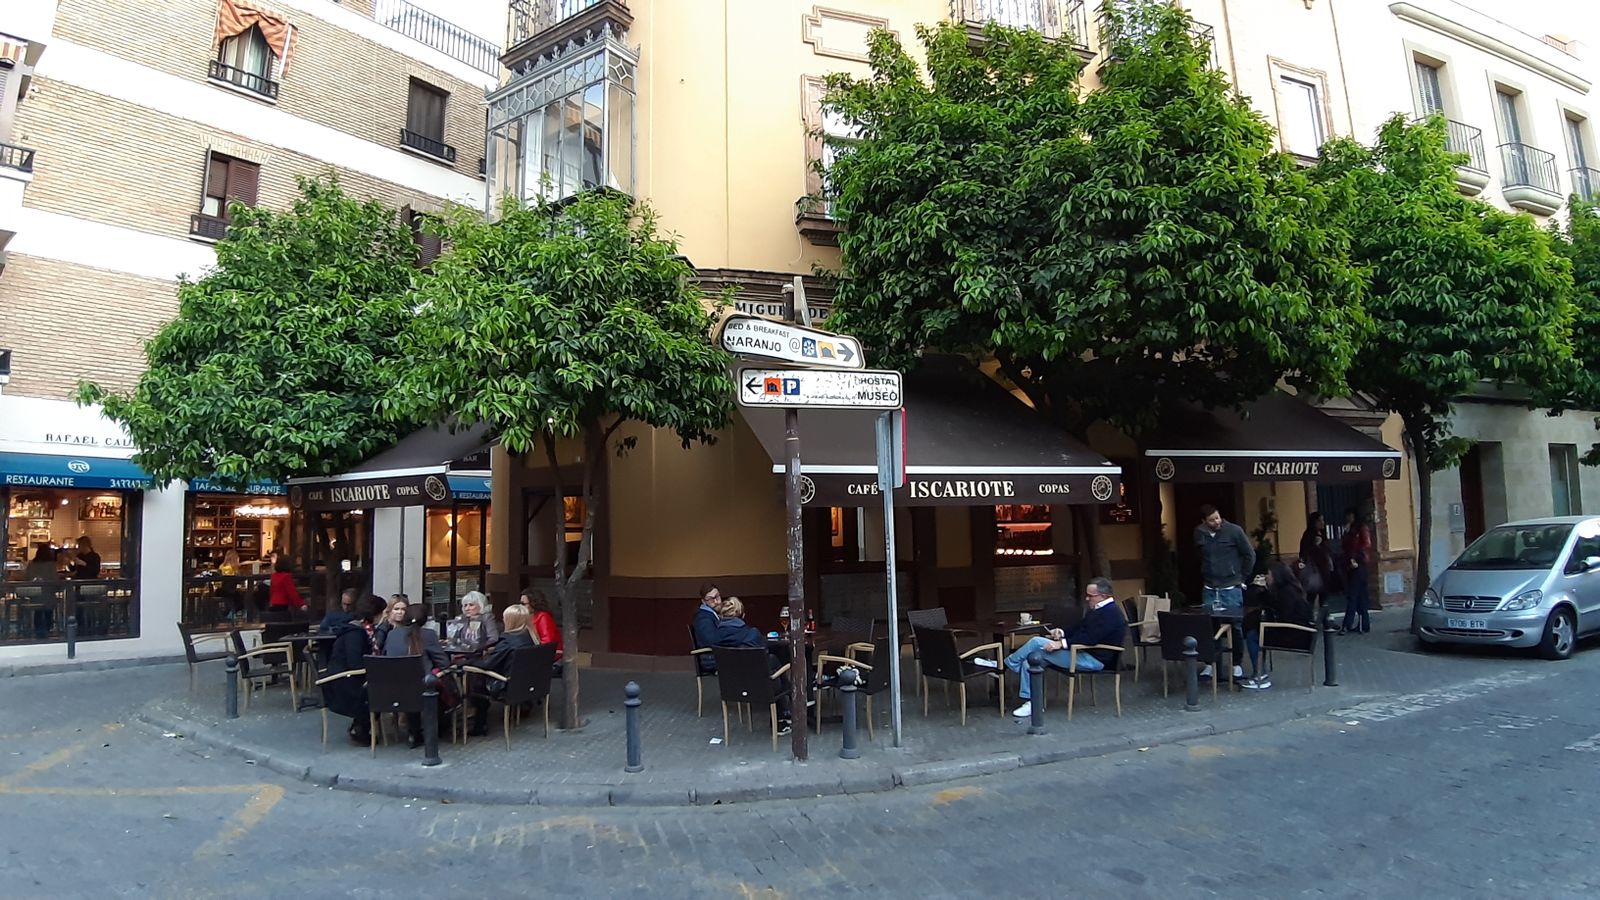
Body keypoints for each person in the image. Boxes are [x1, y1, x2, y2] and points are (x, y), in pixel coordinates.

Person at [981, 577, 1127, 719]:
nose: (1087, 599)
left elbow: (1090, 638)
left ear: (1103, 596)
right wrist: (1061, 632)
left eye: (1090, 596)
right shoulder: (1099, 609)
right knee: (1031, 659)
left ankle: (1004, 665)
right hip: (1082, 652)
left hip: (1094, 659)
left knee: (1037, 642)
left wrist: (1061, 644)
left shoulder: (1111, 614)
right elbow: (1079, 627)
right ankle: (1032, 702)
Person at [714, 597, 792, 734]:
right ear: (742, 615)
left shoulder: (716, 638)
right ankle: (784, 712)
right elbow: (763, 654)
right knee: (773, 664)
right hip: (759, 687)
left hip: (731, 686)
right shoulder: (751, 634)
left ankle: (785, 709)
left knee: (771, 662)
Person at [1195, 504, 1253, 680]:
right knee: (1208, 626)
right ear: (1204, 521)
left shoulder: (1234, 531)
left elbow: (1249, 554)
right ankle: (1210, 664)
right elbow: (1199, 555)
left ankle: (1236, 665)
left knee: (1235, 626)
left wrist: (1241, 578)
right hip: (1210, 587)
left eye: (1218, 517)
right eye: (1212, 520)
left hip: (1230, 586)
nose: (1216, 521)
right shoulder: (1199, 533)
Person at [382, 603, 452, 748]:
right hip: (423, 689)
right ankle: (437, 729)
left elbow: (386, 656)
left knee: (410, 685)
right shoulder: (428, 635)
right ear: (425, 619)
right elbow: (444, 663)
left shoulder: (392, 634)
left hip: (393, 689)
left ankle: (414, 733)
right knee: (440, 682)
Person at [464, 603, 538, 737]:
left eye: (505, 618)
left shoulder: (507, 641)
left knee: (475, 681)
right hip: (526, 684)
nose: (503, 621)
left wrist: (468, 663)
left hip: (506, 686)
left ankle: (480, 724)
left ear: (510, 621)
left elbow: (487, 664)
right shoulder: (531, 637)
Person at [1240, 561, 1315, 690]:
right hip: (1299, 633)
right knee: (1254, 627)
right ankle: (1259, 672)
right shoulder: (1288, 589)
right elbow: (1269, 601)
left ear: (1276, 576)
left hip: (1295, 636)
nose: (1266, 577)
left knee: (1253, 634)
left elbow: (1284, 617)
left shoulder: (1287, 593)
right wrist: (1261, 588)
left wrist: (1267, 624)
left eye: (1268, 574)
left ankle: (1260, 674)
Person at [323, 595, 385, 745]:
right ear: (374, 614)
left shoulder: (359, 629)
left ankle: (361, 726)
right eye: (383, 612)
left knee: (381, 686)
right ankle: (361, 728)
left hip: (345, 677)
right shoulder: (355, 633)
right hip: (342, 682)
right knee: (380, 690)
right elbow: (355, 663)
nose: (384, 615)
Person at [1297, 512, 1336, 630]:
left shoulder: (1323, 534)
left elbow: (1327, 550)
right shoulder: (1308, 535)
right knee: (1311, 597)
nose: (1322, 523)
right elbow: (1303, 553)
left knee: (1324, 598)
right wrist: (1315, 545)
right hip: (1313, 571)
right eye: (1320, 521)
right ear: (1314, 522)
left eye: (1323, 520)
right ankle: (1309, 621)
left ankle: (1326, 622)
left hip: (1324, 571)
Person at [1340, 506, 1374, 634]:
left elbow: (1365, 546)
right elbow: (1344, 546)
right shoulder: (1351, 530)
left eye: (1349, 515)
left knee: (1353, 596)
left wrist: (1356, 559)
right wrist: (1345, 533)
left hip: (1358, 565)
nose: (1347, 518)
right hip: (1353, 565)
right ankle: (1363, 625)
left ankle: (1347, 624)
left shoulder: (1361, 529)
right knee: (1360, 596)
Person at [522, 589, 564, 663]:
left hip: (548, 656)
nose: (520, 606)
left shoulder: (543, 617)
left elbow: (547, 643)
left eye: (523, 604)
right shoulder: (528, 617)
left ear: (533, 603)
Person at [691, 582, 722, 654]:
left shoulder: (713, 614)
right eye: (710, 599)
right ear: (703, 602)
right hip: (711, 658)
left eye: (717, 596)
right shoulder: (703, 619)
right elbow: (711, 641)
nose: (716, 601)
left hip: (718, 655)